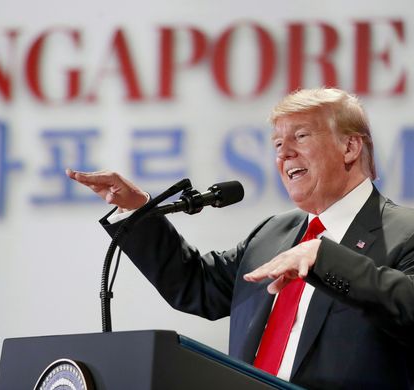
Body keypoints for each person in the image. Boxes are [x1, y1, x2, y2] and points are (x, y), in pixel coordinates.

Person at [67, 88, 414, 389]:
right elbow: (196, 286)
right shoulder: (271, 235)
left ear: (351, 147)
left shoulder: (403, 231)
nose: (283, 153)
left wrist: (324, 258)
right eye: (278, 143)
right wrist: (138, 211)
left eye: (301, 137)